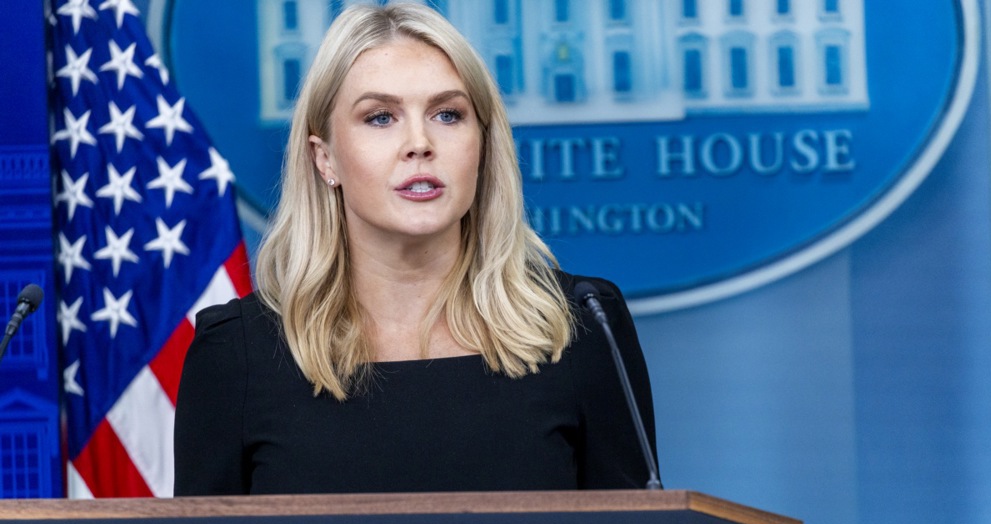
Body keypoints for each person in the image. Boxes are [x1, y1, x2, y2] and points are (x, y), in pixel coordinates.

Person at [173, 2, 655, 496]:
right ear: (325, 160)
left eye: (448, 114)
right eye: (380, 118)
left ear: (483, 146)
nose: (420, 142)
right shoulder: (236, 354)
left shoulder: (582, 329)